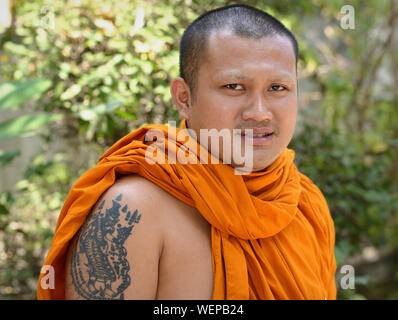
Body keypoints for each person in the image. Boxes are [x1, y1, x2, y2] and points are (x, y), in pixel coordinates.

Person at [37, 4, 337, 300]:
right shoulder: (133, 210)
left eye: (278, 88)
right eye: (234, 86)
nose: (259, 113)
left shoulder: (303, 201)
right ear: (184, 98)